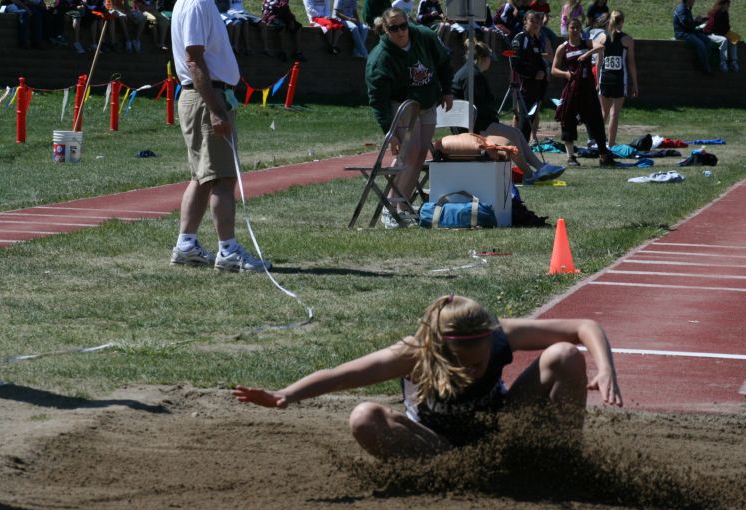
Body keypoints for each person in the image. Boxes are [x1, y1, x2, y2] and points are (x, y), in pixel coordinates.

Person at [233, 294, 622, 458]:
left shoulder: (500, 335)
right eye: (462, 365)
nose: (472, 371)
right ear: (438, 352)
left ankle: (562, 461)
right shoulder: (413, 354)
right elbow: (340, 376)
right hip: (436, 446)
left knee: (565, 355)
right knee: (364, 417)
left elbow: (584, 326)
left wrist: (605, 369)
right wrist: (286, 394)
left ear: (491, 339)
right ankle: (447, 477)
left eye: (479, 362)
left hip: (499, 430)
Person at [170, 0, 271, 272]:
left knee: (202, 177)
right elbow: (194, 58)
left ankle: (186, 244)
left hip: (206, 95)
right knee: (222, 178)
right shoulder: (196, 4)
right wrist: (215, 109)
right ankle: (228, 250)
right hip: (207, 97)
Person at [365, 7, 453, 229]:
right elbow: (378, 99)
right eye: (394, 28)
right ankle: (390, 207)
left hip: (428, 102)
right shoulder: (380, 58)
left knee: (421, 153)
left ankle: (403, 205)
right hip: (401, 105)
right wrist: (390, 132)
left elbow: (443, 61)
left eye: (403, 26)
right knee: (409, 152)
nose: (401, 32)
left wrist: (447, 90)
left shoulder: (424, 36)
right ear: (385, 29)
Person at [452, 39, 564, 184]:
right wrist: (494, 120)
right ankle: (530, 174)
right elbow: (475, 107)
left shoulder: (468, 72)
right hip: (470, 126)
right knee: (512, 136)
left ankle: (539, 168)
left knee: (515, 132)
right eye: (489, 59)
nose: (490, 63)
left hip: (473, 122)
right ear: (483, 59)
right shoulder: (473, 75)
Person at [551, 17, 612, 167]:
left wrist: (587, 54)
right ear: (568, 29)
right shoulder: (563, 47)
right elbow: (553, 69)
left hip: (588, 89)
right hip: (572, 90)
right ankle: (571, 157)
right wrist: (565, 74)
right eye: (572, 27)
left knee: (596, 121)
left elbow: (601, 47)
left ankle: (603, 154)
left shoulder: (587, 43)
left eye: (578, 27)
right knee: (568, 121)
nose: (575, 30)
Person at [593, 10, 636, 147]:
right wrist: (635, 84)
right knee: (614, 114)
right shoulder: (627, 40)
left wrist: (597, 81)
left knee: (603, 112)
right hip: (619, 79)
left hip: (604, 78)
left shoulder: (601, 39)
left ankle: (596, 141)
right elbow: (631, 63)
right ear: (621, 22)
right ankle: (610, 145)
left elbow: (598, 64)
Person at [510, 11, 551, 142]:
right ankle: (520, 151)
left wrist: (543, 76)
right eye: (532, 20)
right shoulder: (520, 38)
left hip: (536, 88)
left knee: (531, 118)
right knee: (523, 119)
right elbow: (515, 62)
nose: (536, 24)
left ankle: (525, 150)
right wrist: (533, 74)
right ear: (525, 22)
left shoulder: (536, 40)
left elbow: (538, 62)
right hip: (524, 87)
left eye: (538, 21)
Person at [673, 0, 712, 74]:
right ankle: (705, 68)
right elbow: (687, 25)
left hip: (690, 31)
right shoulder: (681, 9)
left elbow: (690, 24)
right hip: (682, 33)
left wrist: (700, 21)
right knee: (701, 45)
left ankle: (699, 62)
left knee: (708, 41)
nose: (694, 1)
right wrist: (697, 21)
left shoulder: (687, 8)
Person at [703, 0, 739, 73]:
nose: (729, 6)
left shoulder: (725, 13)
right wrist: (725, 34)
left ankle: (734, 61)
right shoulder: (714, 13)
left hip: (721, 32)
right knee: (724, 40)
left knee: (735, 38)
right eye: (728, 5)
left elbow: (727, 27)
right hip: (710, 34)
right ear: (723, 4)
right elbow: (713, 28)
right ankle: (723, 62)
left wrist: (728, 34)